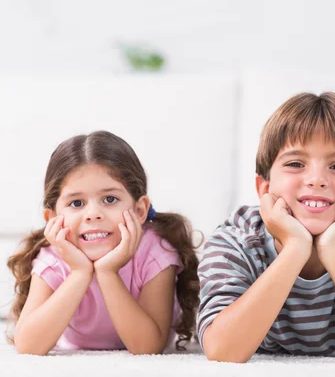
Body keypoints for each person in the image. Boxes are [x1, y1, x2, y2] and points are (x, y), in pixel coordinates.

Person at [197, 92, 335, 364]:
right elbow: (222, 351)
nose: (316, 179)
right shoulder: (237, 239)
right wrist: (295, 248)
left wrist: (334, 249)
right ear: (264, 189)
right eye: (295, 164)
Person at [7, 131, 200, 354]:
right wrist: (79, 273)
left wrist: (108, 272)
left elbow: (148, 347)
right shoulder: (54, 257)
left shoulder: (155, 252)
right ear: (53, 219)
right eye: (77, 203)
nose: (93, 214)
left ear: (139, 211)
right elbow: (28, 346)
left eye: (110, 199)